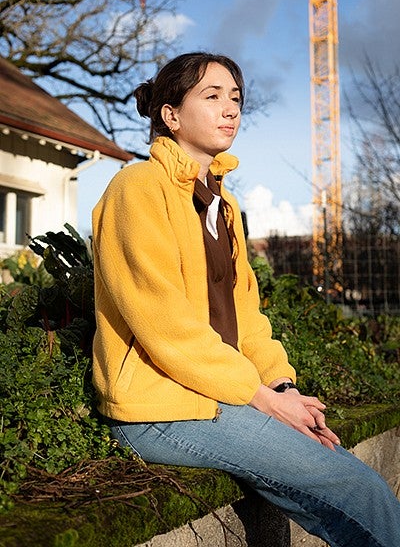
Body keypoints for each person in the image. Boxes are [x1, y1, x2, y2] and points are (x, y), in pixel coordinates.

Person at [91, 52, 400, 547]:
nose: (230, 109)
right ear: (171, 116)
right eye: (211, 97)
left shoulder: (223, 203)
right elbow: (164, 324)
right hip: (158, 409)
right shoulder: (137, 189)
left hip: (219, 395)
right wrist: (262, 401)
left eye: (235, 98)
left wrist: (280, 388)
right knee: (357, 487)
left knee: (348, 474)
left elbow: (245, 315)